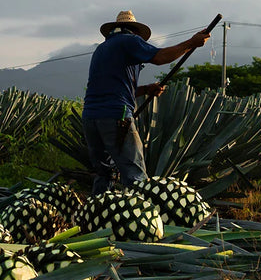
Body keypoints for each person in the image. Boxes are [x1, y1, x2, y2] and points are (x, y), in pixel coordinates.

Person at [82, 10, 211, 195]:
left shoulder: (102, 49)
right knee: (135, 176)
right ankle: (140, 219)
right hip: (116, 116)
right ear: (134, 31)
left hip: (91, 118)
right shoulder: (129, 41)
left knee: (105, 174)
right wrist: (192, 43)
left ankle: (97, 216)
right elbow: (159, 58)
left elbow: (113, 89)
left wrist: (147, 89)